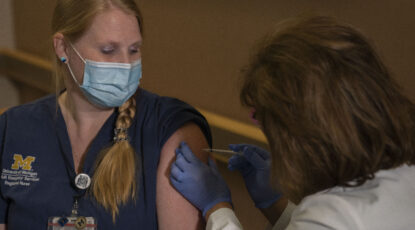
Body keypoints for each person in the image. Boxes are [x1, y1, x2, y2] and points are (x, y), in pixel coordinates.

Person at [170, 15, 415, 230]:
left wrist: (217, 206)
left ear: (301, 131)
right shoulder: (403, 174)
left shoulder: (335, 216)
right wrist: (276, 204)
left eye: (263, 119)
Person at [0, 0, 211, 229]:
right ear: (63, 48)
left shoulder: (169, 129)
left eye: (134, 50)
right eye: (108, 50)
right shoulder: (13, 128)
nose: (126, 65)